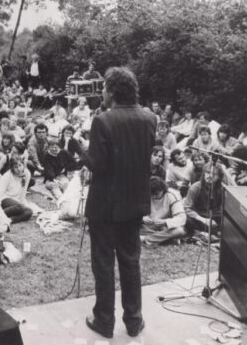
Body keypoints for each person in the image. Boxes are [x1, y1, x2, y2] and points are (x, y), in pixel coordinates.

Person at [83, 67, 156, 339]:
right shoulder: (150, 117)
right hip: (134, 202)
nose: (101, 92)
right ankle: (134, 320)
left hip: (105, 205)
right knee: (130, 261)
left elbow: (98, 166)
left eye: (103, 87)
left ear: (112, 91)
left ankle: (104, 320)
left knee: (103, 262)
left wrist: (79, 150)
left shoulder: (102, 121)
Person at [141, 177, 186, 246]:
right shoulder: (144, 193)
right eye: (151, 194)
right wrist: (142, 218)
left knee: (179, 230)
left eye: (156, 194)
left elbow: (181, 218)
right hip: (148, 226)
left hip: (164, 227)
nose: (153, 197)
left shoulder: (172, 195)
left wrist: (165, 222)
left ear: (163, 190)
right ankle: (162, 239)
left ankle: (145, 239)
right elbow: (134, 212)